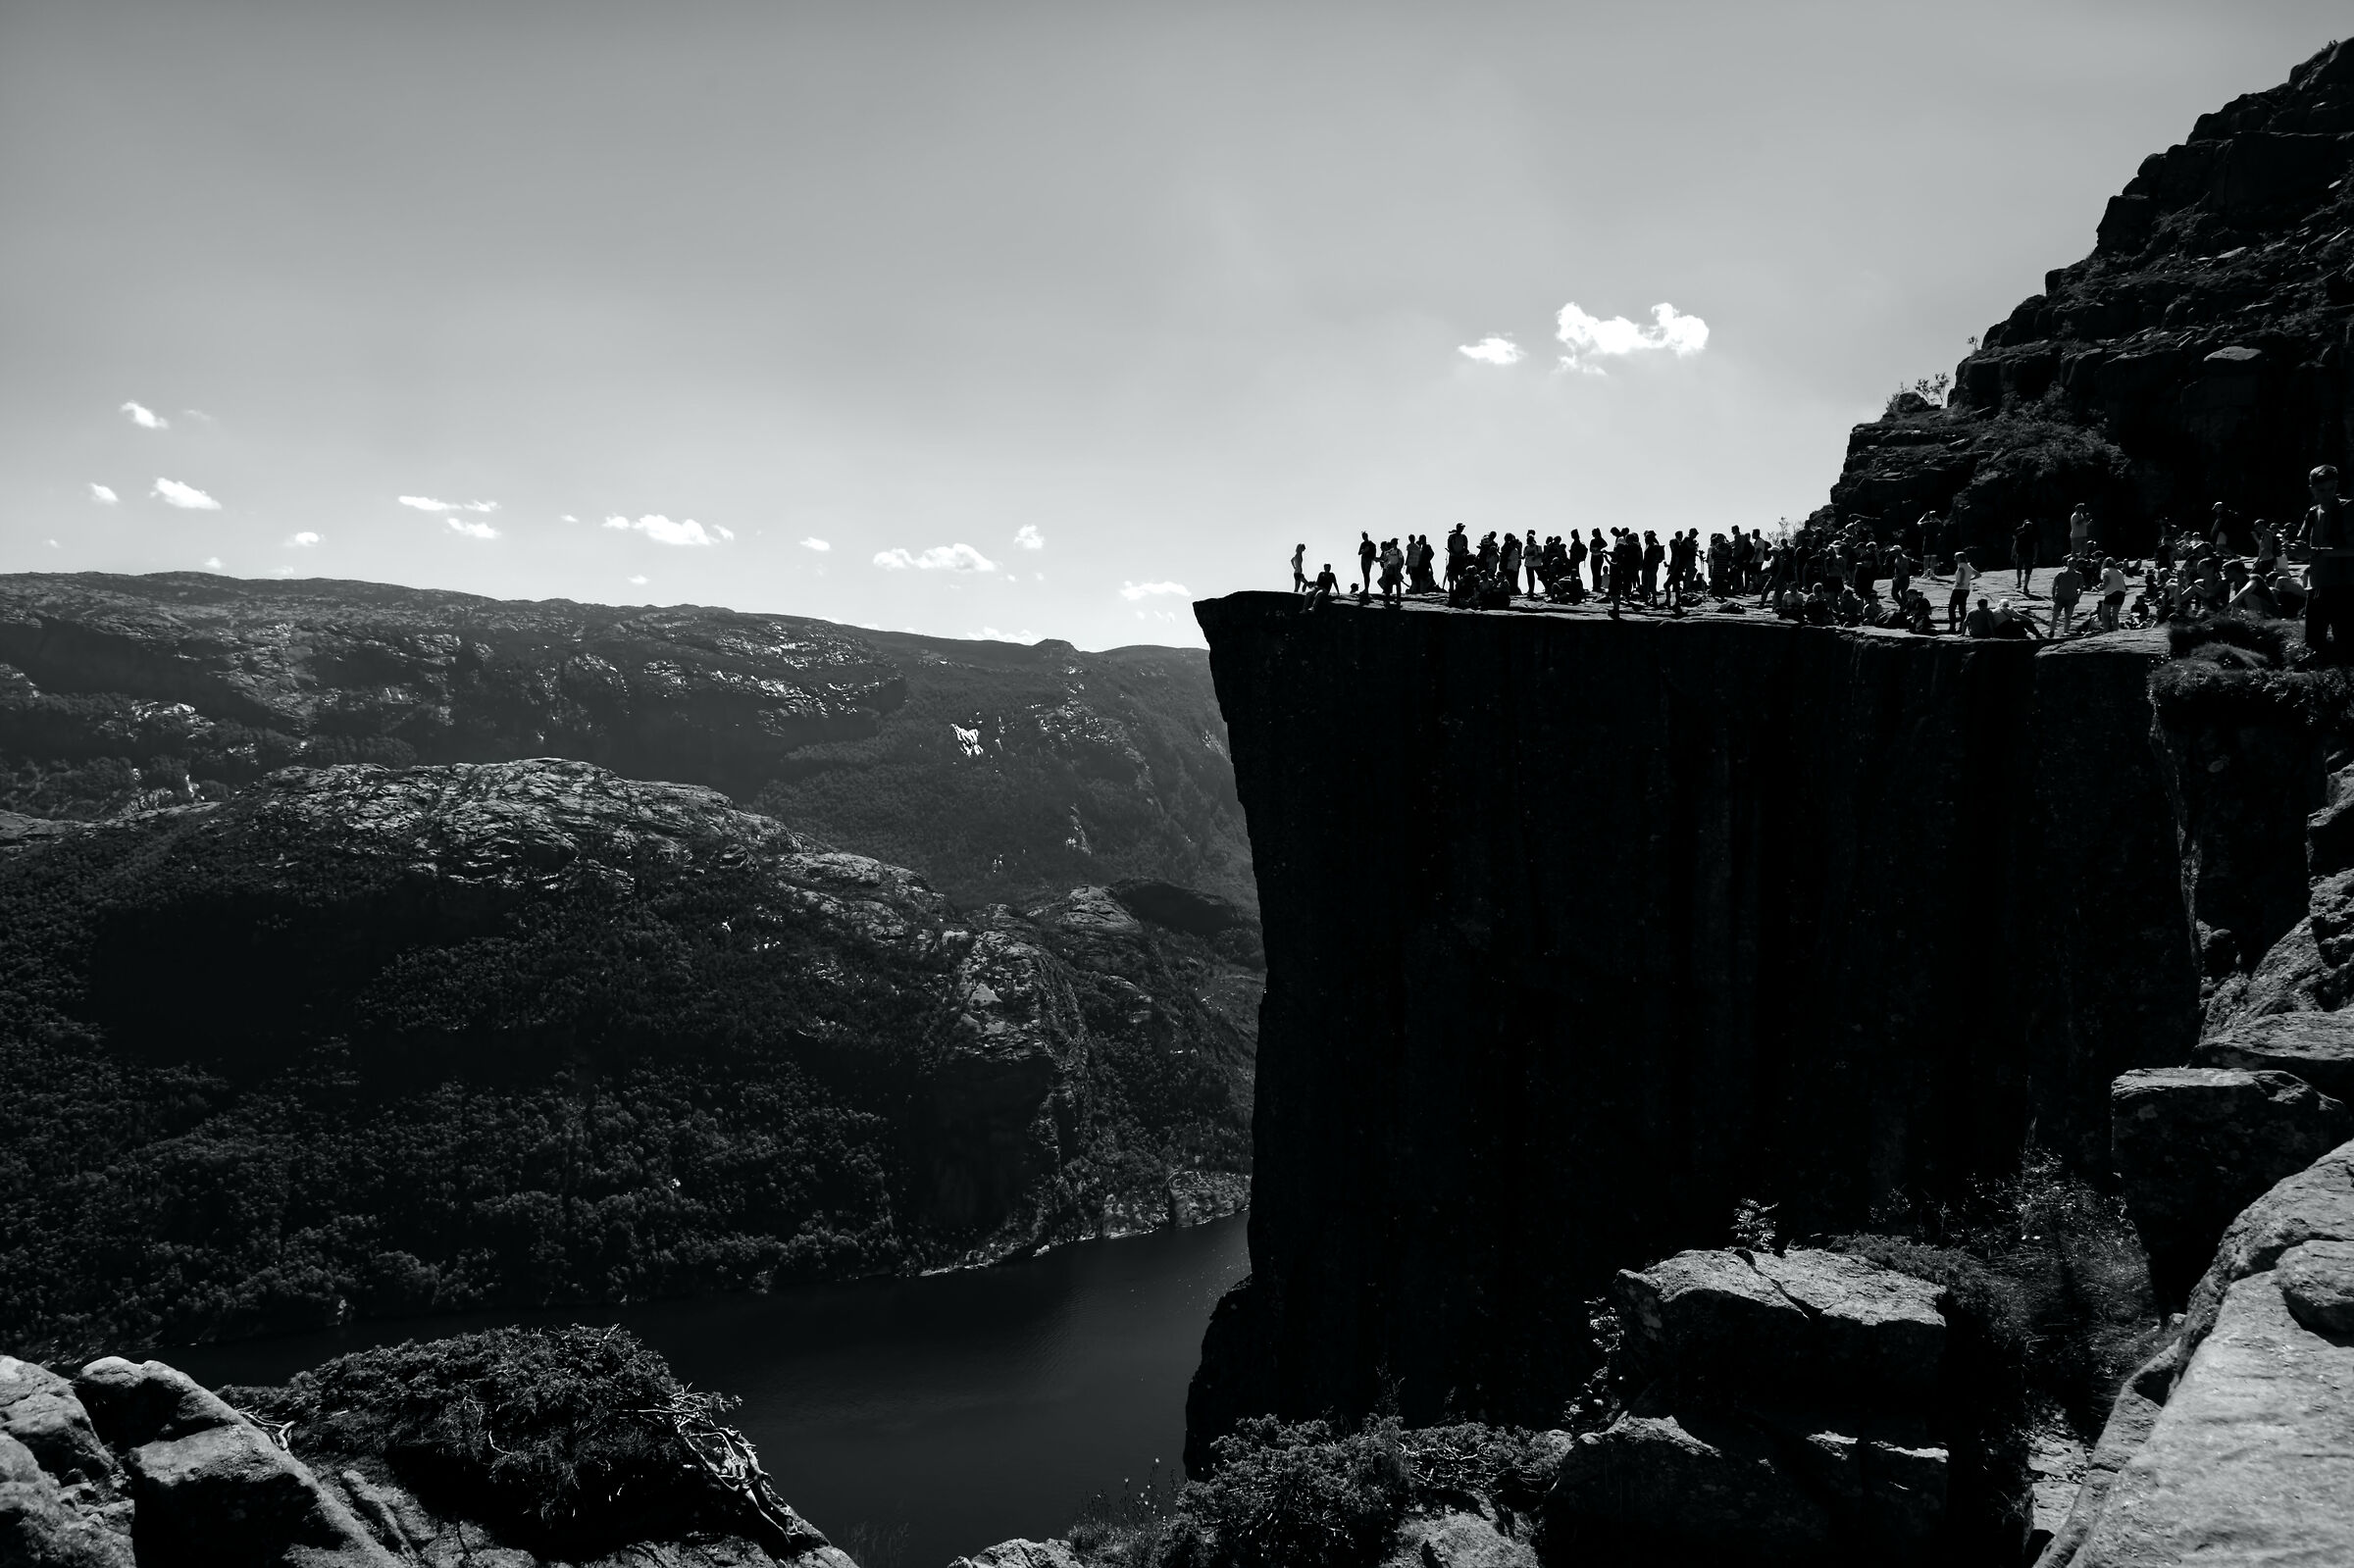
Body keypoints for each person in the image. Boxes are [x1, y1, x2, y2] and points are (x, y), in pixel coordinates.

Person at [2297, 464, 2354, 664]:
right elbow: (2303, 549)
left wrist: (2316, 552)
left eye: (2331, 488)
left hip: (2344, 587)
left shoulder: (2348, 509)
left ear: (2336, 485)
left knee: (2346, 644)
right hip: (2317, 586)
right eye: (2321, 490)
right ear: (2311, 488)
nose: (2327, 494)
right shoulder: (2312, 513)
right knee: (2312, 643)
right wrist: (2294, 549)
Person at [2050, 558, 2083, 634]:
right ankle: (2052, 631)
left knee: (2068, 617)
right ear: (2067, 564)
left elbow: (2081, 588)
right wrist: (2053, 596)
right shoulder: (2061, 574)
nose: (2071, 565)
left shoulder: (2078, 575)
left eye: (2073, 564)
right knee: (2055, 615)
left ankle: (2066, 632)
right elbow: (2054, 586)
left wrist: (2078, 597)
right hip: (2059, 598)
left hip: (2071, 599)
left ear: (2075, 565)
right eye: (2070, 563)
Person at [1948, 550, 1977, 632]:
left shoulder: (1961, 566)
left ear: (1959, 558)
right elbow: (1978, 574)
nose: (1954, 559)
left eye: (1956, 557)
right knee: (1962, 609)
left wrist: (1960, 582)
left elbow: (1962, 573)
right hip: (1966, 590)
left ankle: (1952, 627)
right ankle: (1962, 628)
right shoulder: (1968, 566)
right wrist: (1968, 580)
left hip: (1958, 590)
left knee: (1951, 609)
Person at [2098, 558, 2128, 631]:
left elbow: (2106, 581)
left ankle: (2106, 630)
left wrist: (2100, 588)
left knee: (2104, 614)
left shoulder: (2105, 570)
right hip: (2121, 593)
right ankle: (2115, 630)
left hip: (2111, 593)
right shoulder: (2119, 571)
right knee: (2115, 615)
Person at [2012, 519, 2037, 591]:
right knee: (2028, 572)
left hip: (2020, 554)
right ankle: (2025, 586)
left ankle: (2019, 582)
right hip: (2029, 555)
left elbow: (2015, 545)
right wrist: (2035, 556)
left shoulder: (2020, 535)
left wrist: (2013, 553)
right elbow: (2036, 546)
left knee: (2019, 569)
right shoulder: (2033, 536)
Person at [1356, 532, 1377, 596]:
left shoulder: (1372, 544)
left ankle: (1366, 589)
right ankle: (1365, 589)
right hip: (1363, 559)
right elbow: (1359, 553)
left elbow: (1374, 553)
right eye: (1363, 536)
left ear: (1367, 536)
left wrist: (1372, 557)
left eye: (1364, 536)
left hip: (1368, 559)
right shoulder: (1362, 544)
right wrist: (1363, 551)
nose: (1364, 537)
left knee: (1367, 573)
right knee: (1364, 574)